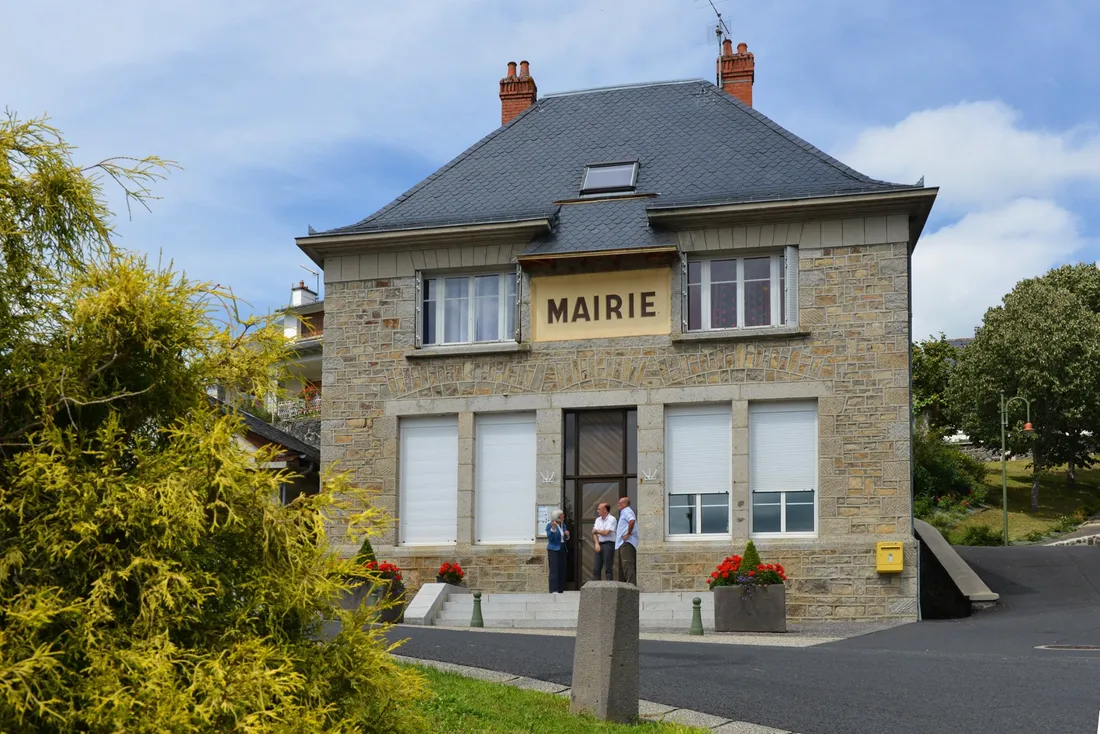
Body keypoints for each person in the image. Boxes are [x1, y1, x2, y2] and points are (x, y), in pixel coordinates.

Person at [614, 496, 638, 585]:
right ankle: (630, 584)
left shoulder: (627, 511)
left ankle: (631, 585)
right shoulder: (624, 512)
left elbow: (632, 521)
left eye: (619, 503)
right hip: (624, 542)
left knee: (627, 564)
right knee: (626, 564)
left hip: (627, 543)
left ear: (624, 504)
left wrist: (628, 533)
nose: (618, 505)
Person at [546, 508, 569, 594]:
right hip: (553, 549)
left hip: (562, 548)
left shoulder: (564, 525)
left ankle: (560, 589)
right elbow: (550, 538)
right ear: (557, 517)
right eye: (562, 515)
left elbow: (564, 538)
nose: (563, 517)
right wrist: (553, 529)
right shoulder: (550, 525)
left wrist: (567, 535)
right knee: (554, 569)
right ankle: (553, 590)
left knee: (562, 569)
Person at [591, 502, 617, 581]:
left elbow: (606, 532)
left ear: (605, 510)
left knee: (608, 567)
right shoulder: (598, 520)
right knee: (596, 568)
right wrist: (596, 543)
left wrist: (596, 531)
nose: (597, 511)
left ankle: (609, 587)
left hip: (609, 544)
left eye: (599, 509)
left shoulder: (612, 519)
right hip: (599, 543)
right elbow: (594, 533)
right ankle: (596, 587)